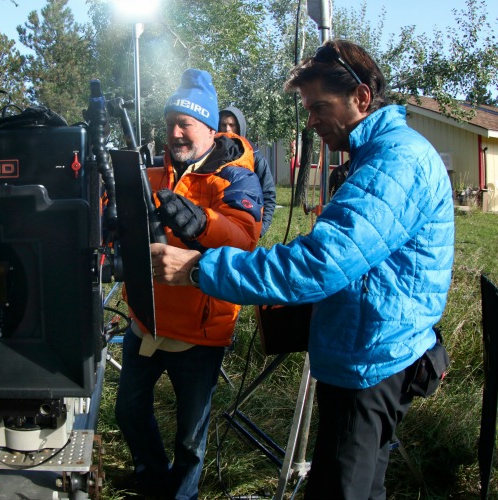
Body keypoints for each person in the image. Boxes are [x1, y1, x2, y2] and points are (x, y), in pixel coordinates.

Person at [150, 40, 454, 499]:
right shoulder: (377, 156)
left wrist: (199, 269)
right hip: (369, 350)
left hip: (370, 365)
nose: (310, 120)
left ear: (361, 99)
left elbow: (321, 262)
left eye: (319, 107)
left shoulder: (396, 162)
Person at [115, 68, 264, 500]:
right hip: (146, 320)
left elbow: (245, 239)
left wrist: (203, 223)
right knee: (128, 412)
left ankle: (182, 495)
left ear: (210, 129)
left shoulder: (236, 177)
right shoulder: (153, 172)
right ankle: (152, 480)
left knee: (190, 438)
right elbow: (115, 214)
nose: (176, 133)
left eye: (186, 124)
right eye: (170, 123)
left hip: (201, 333)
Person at [218, 106, 277, 236]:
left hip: (244, 228)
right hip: (214, 225)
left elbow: (268, 194)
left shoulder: (254, 154)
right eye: (223, 124)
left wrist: (261, 229)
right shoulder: (210, 153)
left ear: (240, 127)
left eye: (232, 125)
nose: (227, 129)